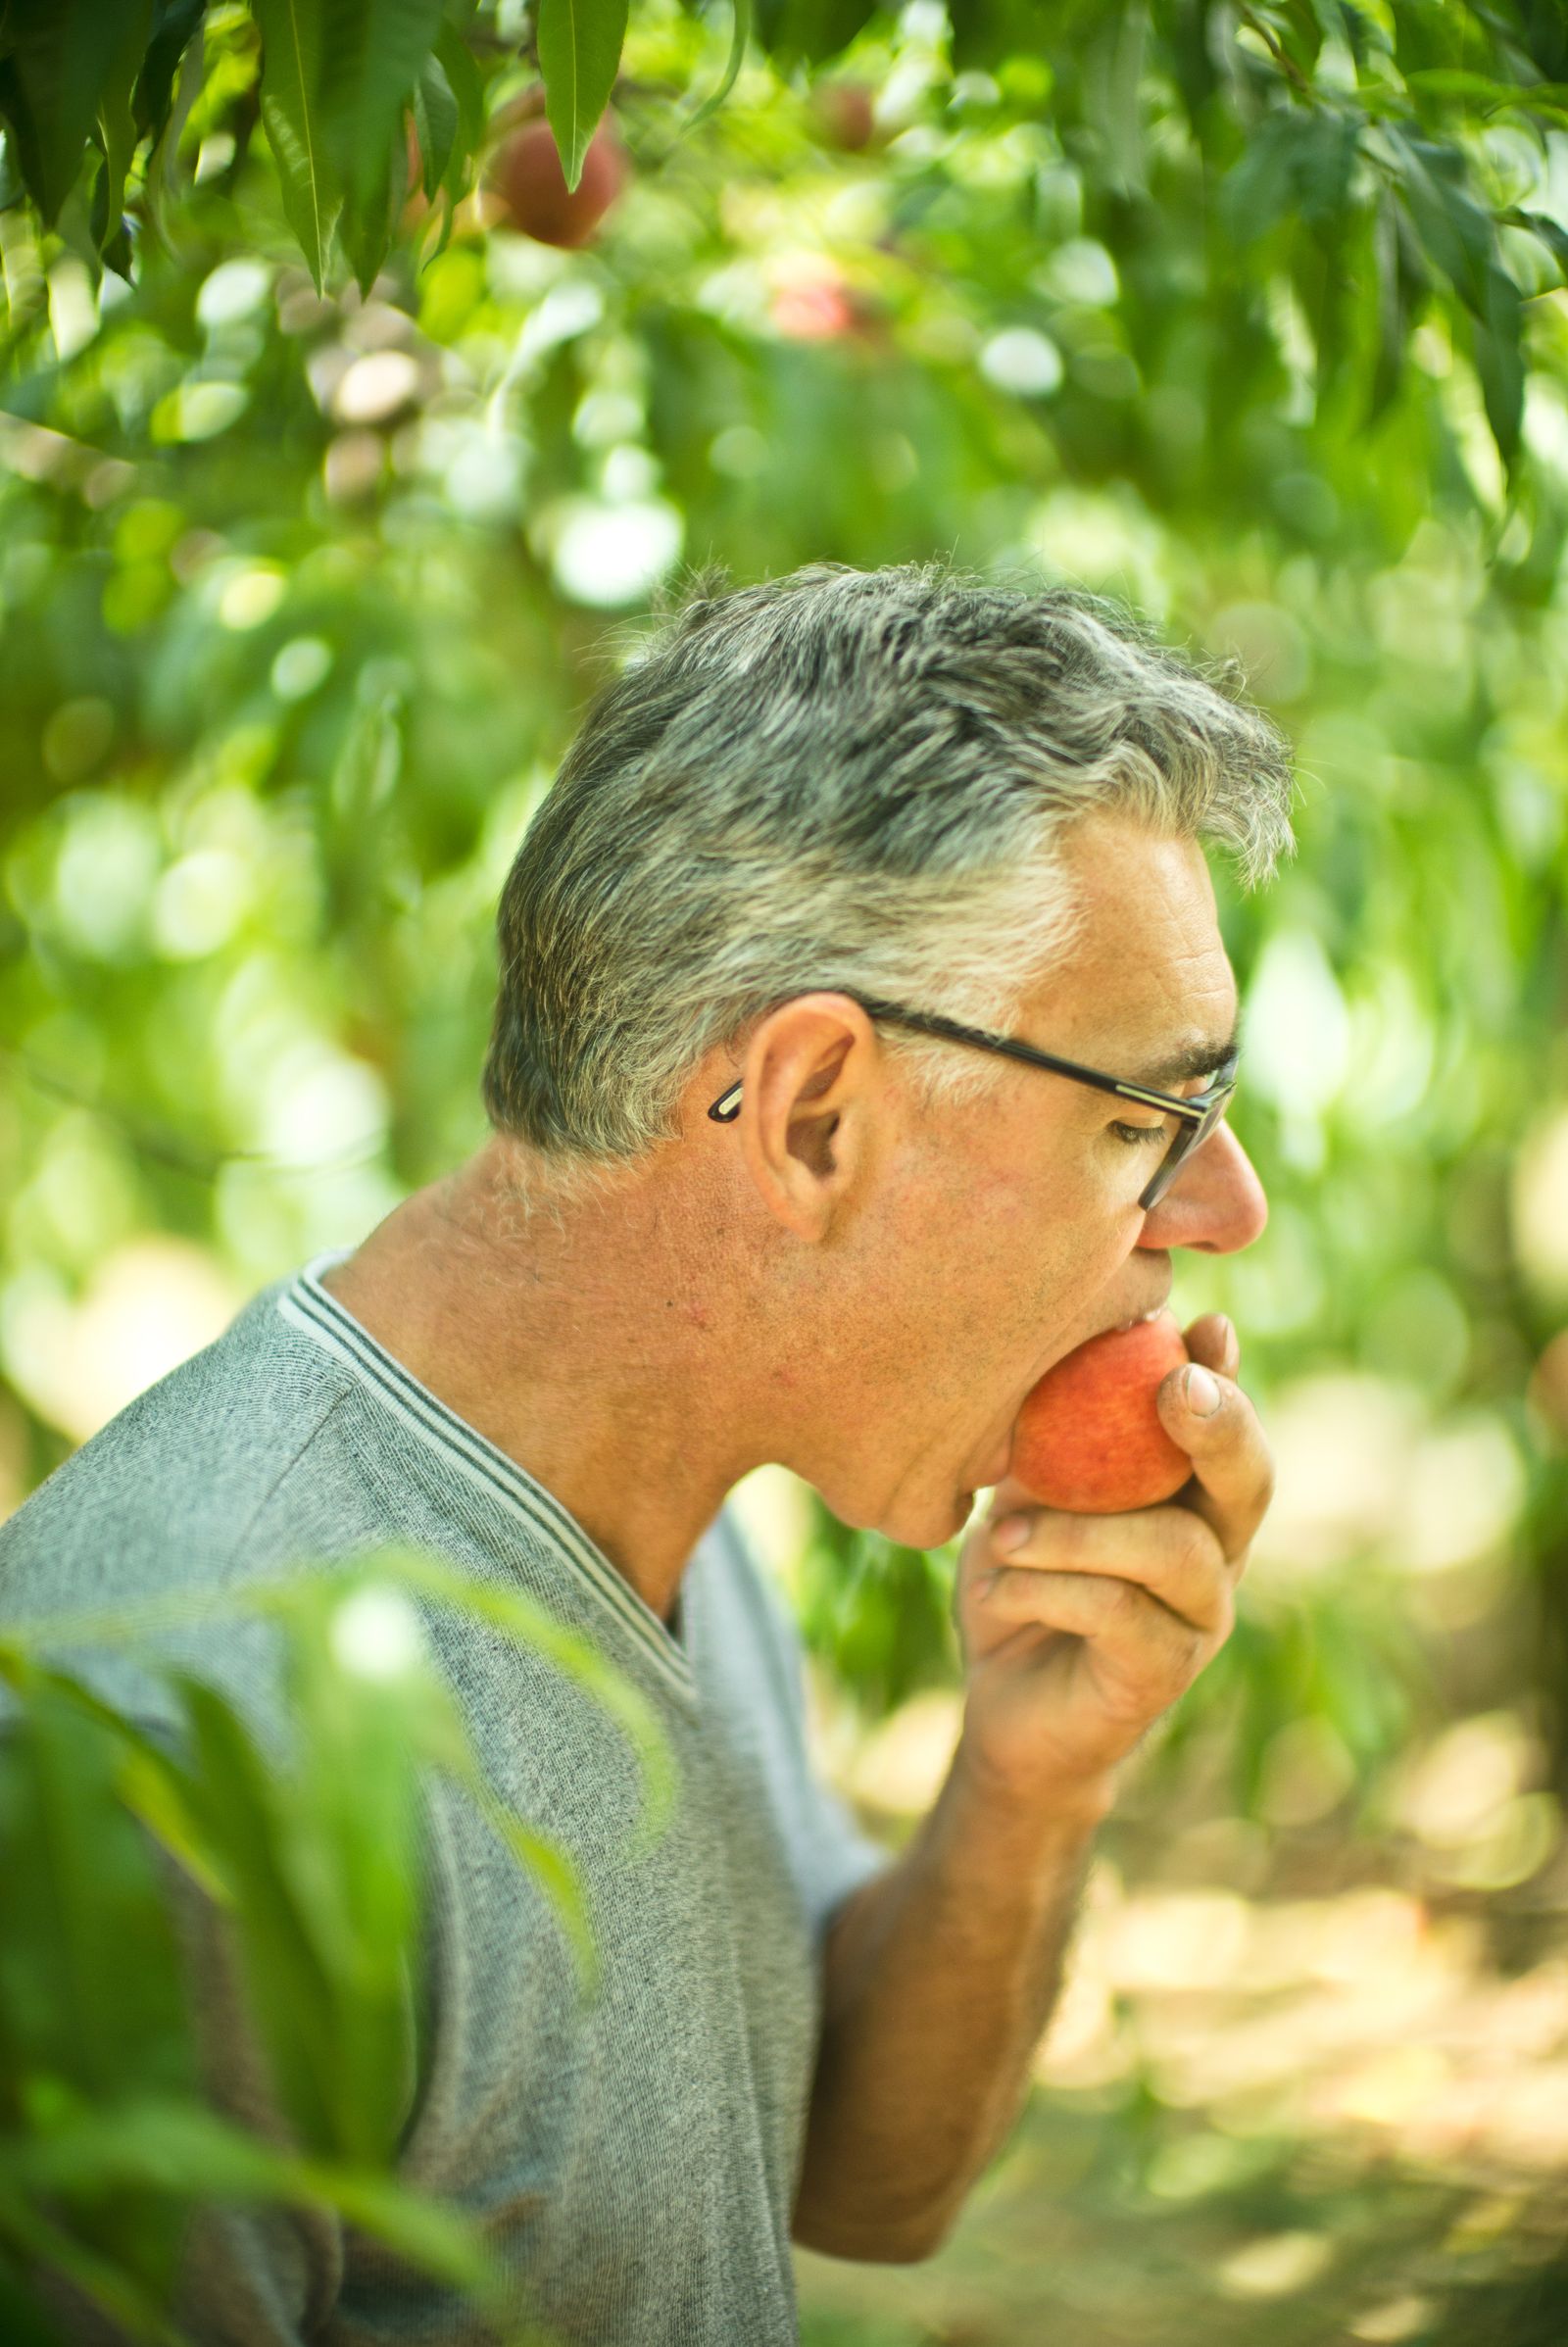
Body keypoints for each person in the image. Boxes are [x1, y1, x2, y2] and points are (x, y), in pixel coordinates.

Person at [0, 561, 1291, 2345]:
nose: (1228, 1208)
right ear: (818, 1115)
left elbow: (852, 2175)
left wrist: (1026, 1790)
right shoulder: (185, 1757)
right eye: (1157, 1116)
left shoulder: (665, 1505)